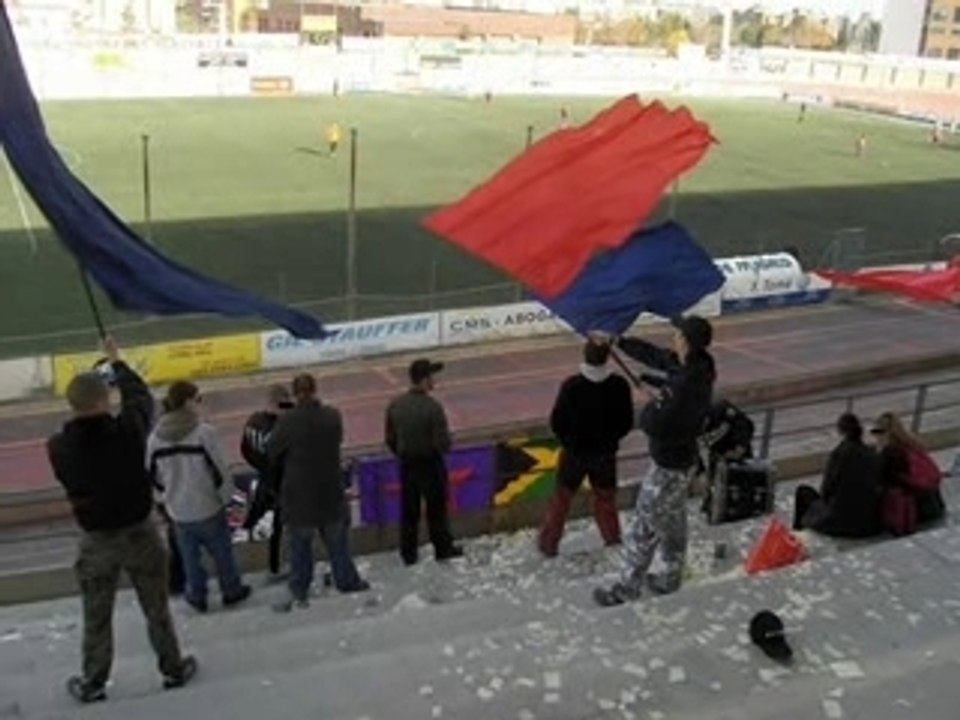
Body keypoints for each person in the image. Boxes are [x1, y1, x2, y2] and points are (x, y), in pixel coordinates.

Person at [47, 337, 195, 704]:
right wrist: (116, 361)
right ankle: (172, 669)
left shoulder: (58, 447)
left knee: (96, 616)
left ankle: (94, 681)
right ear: (105, 400)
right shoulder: (127, 432)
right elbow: (141, 398)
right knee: (156, 609)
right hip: (140, 532)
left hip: (96, 541)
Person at [594, 316, 716, 606]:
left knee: (643, 527)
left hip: (668, 466)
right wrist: (618, 341)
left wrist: (651, 399)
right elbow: (658, 357)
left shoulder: (684, 386)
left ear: (685, 341)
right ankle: (670, 576)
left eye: (676, 335)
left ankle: (626, 589)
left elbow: (654, 424)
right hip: (683, 462)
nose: (672, 338)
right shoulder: (700, 365)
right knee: (673, 521)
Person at [147, 381, 251, 614]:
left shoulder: (155, 439)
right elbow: (221, 469)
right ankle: (231, 590)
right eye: (198, 399)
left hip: (178, 510)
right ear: (187, 402)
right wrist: (225, 498)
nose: (201, 404)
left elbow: (152, 476)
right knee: (222, 553)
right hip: (208, 506)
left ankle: (197, 595)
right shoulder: (204, 433)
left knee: (189, 557)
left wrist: (165, 499)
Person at [269, 374, 368, 612]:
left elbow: (273, 452)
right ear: (315, 390)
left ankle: (300, 588)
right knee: (338, 544)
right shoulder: (332, 416)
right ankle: (347, 581)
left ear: (294, 393)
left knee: (300, 548)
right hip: (330, 490)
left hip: (299, 494)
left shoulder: (287, 421)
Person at [538, 341, 634, 557]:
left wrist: (570, 442)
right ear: (608, 357)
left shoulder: (571, 386)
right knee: (606, 501)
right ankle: (612, 541)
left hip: (574, 454)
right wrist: (609, 440)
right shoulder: (619, 385)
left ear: (585, 355)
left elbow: (557, 423)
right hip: (605, 455)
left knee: (560, 501)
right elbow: (626, 422)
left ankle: (548, 545)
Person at [385, 359, 464, 566]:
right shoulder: (433, 407)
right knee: (436, 510)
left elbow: (390, 438)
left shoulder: (396, 405)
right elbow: (442, 443)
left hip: (407, 464)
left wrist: (401, 453)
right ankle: (443, 548)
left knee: (409, 511)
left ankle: (408, 553)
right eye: (431, 377)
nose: (434, 381)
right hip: (431, 464)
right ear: (425, 379)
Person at [793, 413, 882, 538]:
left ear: (841, 431)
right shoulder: (872, 454)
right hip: (868, 522)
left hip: (842, 522)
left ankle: (797, 534)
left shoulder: (839, 455)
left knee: (803, 491)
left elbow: (826, 491)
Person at [241, 384, 294, 577]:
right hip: (284, 483)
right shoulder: (284, 427)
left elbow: (245, 451)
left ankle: (272, 565)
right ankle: (280, 566)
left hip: (265, 481)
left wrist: (261, 467)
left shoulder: (252, 422)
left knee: (263, 520)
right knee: (282, 527)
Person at [872, 411, 946, 527]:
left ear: (886, 433)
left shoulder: (891, 453)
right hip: (934, 503)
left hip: (914, 511)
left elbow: (882, 480)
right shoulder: (912, 444)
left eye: (876, 432)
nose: (874, 436)